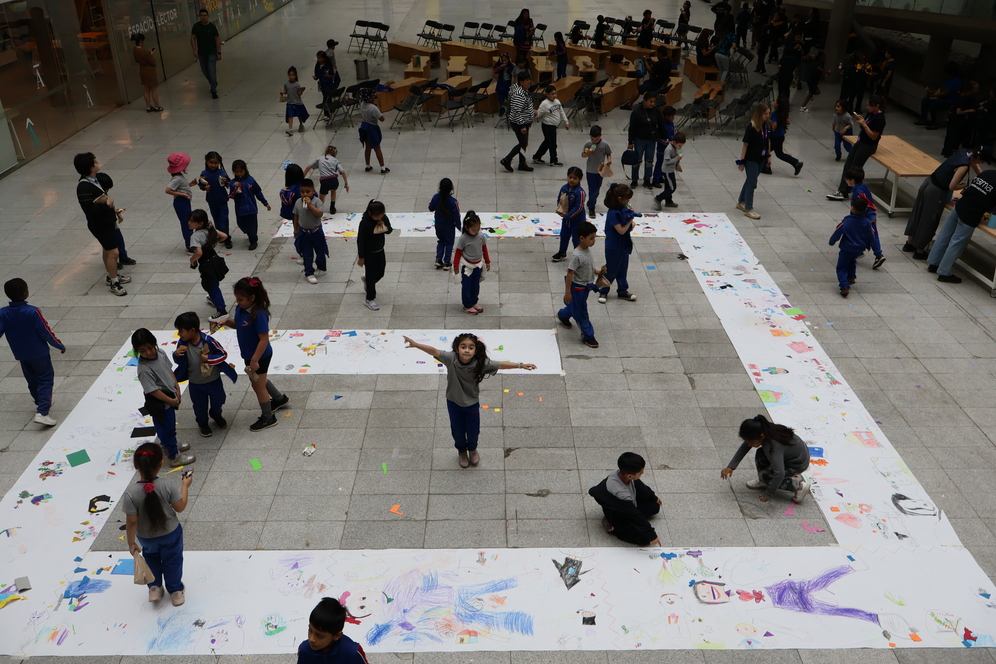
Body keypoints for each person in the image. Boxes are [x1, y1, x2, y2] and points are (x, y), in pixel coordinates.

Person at [404, 333, 536, 467]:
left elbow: (500, 365)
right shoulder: (451, 359)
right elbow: (435, 351)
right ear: (457, 348)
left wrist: (520, 365)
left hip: (472, 404)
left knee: (473, 431)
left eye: (471, 347)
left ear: (475, 350)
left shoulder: (480, 363)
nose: (467, 350)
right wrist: (416, 345)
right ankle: (462, 451)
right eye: (463, 347)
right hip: (453, 402)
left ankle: (472, 450)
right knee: (457, 430)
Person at [215, 277, 289, 430]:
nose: (237, 302)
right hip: (249, 355)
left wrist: (255, 360)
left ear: (252, 298)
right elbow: (240, 326)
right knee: (260, 380)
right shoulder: (241, 309)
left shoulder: (259, 315)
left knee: (257, 386)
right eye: (236, 299)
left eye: (240, 299)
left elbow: (263, 340)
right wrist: (227, 322)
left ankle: (268, 417)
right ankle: (279, 399)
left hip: (259, 356)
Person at [123, 442, 192, 607]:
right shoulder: (167, 485)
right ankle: (175, 592)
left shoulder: (131, 493)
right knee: (173, 560)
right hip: (171, 533)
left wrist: (131, 542)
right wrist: (185, 485)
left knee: (151, 558)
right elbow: (180, 507)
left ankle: (154, 588)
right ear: (161, 463)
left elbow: (132, 521)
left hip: (146, 537)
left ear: (135, 465)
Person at [0, 278, 65, 426]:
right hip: (39, 353)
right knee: (45, 378)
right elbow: (45, 331)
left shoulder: (2, 313)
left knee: (32, 379)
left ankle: (40, 401)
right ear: (25, 293)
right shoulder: (33, 312)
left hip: (21, 354)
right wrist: (59, 345)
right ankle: (43, 412)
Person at [904, 147, 988, 259]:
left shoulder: (965, 153)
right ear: (978, 157)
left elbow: (975, 166)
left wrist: (985, 179)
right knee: (930, 219)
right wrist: (966, 185)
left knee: (919, 213)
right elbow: (952, 186)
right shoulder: (963, 166)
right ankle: (919, 251)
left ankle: (910, 243)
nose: (981, 163)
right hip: (936, 191)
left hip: (928, 183)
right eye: (982, 161)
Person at [132, 328, 195, 466]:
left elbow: (169, 370)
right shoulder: (144, 369)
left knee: (169, 426)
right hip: (160, 403)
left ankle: (171, 444)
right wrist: (171, 400)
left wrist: (177, 387)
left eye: (150, 347)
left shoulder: (160, 352)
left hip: (170, 397)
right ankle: (174, 456)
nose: (148, 352)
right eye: (142, 350)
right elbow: (153, 391)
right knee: (165, 428)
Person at [173, 311, 237, 437]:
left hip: (213, 381)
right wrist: (176, 354)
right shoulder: (182, 343)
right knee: (199, 407)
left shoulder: (208, 341)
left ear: (192, 330)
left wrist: (208, 359)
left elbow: (223, 354)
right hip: (195, 383)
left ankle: (216, 414)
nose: (179, 334)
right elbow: (178, 361)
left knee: (219, 400)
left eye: (181, 331)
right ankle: (202, 423)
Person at [74, 152, 131, 296]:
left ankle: (112, 275)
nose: (98, 162)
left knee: (107, 250)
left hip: (107, 221)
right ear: (90, 167)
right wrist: (107, 205)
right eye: (95, 161)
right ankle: (114, 282)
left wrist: (114, 211)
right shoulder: (83, 187)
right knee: (114, 252)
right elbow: (89, 210)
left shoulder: (97, 179)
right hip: (99, 224)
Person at [927, 168, 996, 284]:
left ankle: (934, 263)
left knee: (945, 235)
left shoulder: (987, 172)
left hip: (959, 207)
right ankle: (944, 272)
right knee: (957, 243)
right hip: (971, 214)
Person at [721, 414, 811, 503]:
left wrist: (769, 493)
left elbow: (779, 473)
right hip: (793, 455)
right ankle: (764, 481)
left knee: (768, 476)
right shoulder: (764, 429)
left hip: (797, 464)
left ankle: (798, 486)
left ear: (761, 436)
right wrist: (731, 466)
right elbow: (745, 447)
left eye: (750, 442)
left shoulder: (773, 448)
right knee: (760, 454)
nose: (749, 444)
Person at [588, 452, 662, 546]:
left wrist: (653, 497)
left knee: (654, 507)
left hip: (628, 505)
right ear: (630, 476)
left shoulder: (621, 473)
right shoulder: (621, 493)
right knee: (644, 539)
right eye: (641, 472)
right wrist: (651, 535)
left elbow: (638, 484)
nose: (643, 473)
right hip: (620, 513)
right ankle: (613, 528)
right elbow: (634, 514)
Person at [827, 95, 885, 202]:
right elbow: (863, 128)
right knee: (848, 165)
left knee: (855, 167)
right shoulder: (870, 114)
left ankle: (845, 191)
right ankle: (842, 189)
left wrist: (865, 125)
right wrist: (861, 122)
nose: (867, 107)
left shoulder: (880, 118)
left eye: (870, 105)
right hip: (860, 142)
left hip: (868, 145)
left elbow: (873, 136)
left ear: (877, 106)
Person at [556, 221, 603, 348]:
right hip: (577, 288)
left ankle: (563, 315)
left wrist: (597, 272)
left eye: (595, 238)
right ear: (582, 238)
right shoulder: (576, 255)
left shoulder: (587, 250)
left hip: (586, 287)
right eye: (591, 238)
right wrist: (567, 292)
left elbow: (587, 266)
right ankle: (588, 335)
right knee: (582, 311)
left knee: (575, 306)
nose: (594, 241)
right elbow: (570, 273)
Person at [598, 183, 640, 304]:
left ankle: (622, 290)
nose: (629, 201)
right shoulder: (613, 213)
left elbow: (628, 227)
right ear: (620, 199)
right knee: (611, 268)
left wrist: (629, 218)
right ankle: (603, 289)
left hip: (623, 244)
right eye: (627, 199)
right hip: (613, 245)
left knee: (623, 268)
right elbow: (621, 230)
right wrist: (631, 219)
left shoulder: (623, 209)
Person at [298, 597, 370, 664]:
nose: (311, 639)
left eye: (319, 636)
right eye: (310, 630)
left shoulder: (353, 652)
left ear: (337, 636)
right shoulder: (304, 650)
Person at [187, 209, 229, 322]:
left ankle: (221, 311)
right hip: (215, 260)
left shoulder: (195, 236)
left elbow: (199, 253)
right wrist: (212, 244)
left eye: (192, 221)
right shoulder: (209, 229)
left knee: (211, 286)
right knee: (213, 283)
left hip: (207, 264)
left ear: (200, 223)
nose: (189, 223)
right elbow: (224, 236)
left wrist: (192, 259)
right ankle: (214, 299)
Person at [829, 197, 875, 297]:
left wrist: (832, 241)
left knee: (841, 267)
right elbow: (871, 235)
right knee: (852, 261)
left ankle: (844, 285)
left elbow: (837, 232)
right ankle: (851, 277)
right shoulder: (867, 222)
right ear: (865, 209)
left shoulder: (846, 222)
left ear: (852, 208)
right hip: (859, 249)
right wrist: (869, 244)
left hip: (846, 248)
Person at [844, 166, 885, 269]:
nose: (846, 181)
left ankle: (877, 254)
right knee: (872, 234)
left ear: (852, 180)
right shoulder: (863, 187)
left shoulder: (858, 193)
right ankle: (867, 253)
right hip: (869, 216)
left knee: (859, 234)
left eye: (846, 179)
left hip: (863, 217)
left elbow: (862, 205)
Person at [736, 103, 772, 220]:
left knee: (750, 180)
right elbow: (745, 145)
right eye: (765, 114)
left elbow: (768, 141)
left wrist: (769, 156)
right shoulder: (752, 126)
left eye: (768, 113)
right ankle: (749, 208)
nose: (767, 116)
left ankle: (741, 201)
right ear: (759, 113)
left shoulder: (766, 126)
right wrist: (742, 161)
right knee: (752, 183)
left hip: (761, 158)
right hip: (751, 158)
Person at [356, 200, 392, 311]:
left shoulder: (383, 218)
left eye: (381, 215)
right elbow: (360, 240)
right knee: (371, 277)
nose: (379, 217)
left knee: (380, 273)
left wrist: (383, 224)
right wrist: (361, 257)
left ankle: (367, 280)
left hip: (380, 250)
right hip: (369, 253)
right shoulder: (365, 223)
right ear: (370, 213)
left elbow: (389, 230)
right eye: (376, 216)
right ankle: (369, 298)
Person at [452, 212, 491, 314]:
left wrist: (487, 261)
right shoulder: (463, 238)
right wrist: (455, 266)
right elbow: (458, 253)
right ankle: (467, 305)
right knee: (467, 286)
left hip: (478, 265)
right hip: (467, 266)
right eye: (474, 230)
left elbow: (484, 249)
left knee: (475, 285)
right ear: (466, 227)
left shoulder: (481, 236)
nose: (476, 231)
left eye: (478, 229)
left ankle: (474, 301)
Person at [293, 179, 329, 285]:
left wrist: (310, 205)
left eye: (307, 191)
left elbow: (319, 214)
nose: (305, 194)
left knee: (320, 251)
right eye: (302, 192)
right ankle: (309, 272)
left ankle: (322, 268)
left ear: (313, 191)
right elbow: (296, 215)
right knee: (307, 253)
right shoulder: (298, 202)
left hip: (316, 231)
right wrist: (295, 228)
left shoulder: (317, 202)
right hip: (304, 232)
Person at [229, 159, 270, 251]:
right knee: (241, 224)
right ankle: (249, 232)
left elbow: (258, 192)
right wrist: (234, 187)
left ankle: (253, 240)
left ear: (245, 170)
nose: (239, 173)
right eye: (237, 172)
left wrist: (265, 203)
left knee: (252, 226)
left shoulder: (250, 180)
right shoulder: (232, 183)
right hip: (240, 209)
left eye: (241, 171)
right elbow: (231, 196)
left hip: (251, 209)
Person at [499, 72, 536, 173]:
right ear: (521, 82)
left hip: (524, 121)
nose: (530, 82)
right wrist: (522, 125)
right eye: (527, 80)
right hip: (519, 123)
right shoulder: (519, 94)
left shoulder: (523, 90)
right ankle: (507, 159)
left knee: (524, 143)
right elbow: (516, 110)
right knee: (523, 143)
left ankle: (522, 163)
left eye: (530, 79)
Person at [627, 92, 664, 189]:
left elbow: (661, 125)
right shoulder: (636, 112)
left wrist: (665, 137)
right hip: (639, 139)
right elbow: (632, 128)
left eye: (654, 102)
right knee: (637, 160)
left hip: (651, 140)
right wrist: (630, 142)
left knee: (649, 161)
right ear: (645, 101)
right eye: (650, 101)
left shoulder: (656, 111)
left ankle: (647, 180)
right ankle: (634, 180)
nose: (652, 104)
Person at [552, 166, 587, 261]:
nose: (571, 180)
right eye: (570, 177)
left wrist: (568, 215)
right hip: (566, 219)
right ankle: (562, 252)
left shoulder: (580, 192)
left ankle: (578, 256)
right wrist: (560, 210)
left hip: (577, 221)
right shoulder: (564, 188)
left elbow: (579, 207)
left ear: (579, 179)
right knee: (564, 235)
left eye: (575, 178)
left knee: (576, 239)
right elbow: (560, 200)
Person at [198, 151, 232, 248]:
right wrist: (205, 188)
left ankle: (227, 238)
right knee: (216, 218)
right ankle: (220, 234)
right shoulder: (204, 174)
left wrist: (226, 182)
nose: (213, 165)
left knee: (224, 219)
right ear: (206, 161)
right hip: (212, 200)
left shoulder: (222, 173)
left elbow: (229, 184)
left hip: (222, 199)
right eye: (211, 162)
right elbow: (200, 185)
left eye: (215, 163)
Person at [916, 62, 960, 130]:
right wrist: (933, 92)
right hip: (943, 98)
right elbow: (942, 90)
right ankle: (923, 119)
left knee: (933, 104)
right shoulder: (948, 80)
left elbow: (945, 93)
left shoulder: (955, 81)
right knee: (925, 100)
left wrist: (933, 95)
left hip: (949, 101)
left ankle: (934, 123)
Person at [303, 144, 349, 210]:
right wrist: (346, 183)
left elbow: (308, 167)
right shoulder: (335, 160)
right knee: (333, 191)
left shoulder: (319, 158)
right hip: (334, 180)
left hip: (325, 181)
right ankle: (332, 207)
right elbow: (343, 172)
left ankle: (319, 208)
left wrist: (302, 178)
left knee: (322, 195)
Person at [532, 86, 569, 166]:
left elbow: (561, 112)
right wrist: (535, 113)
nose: (554, 95)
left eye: (555, 93)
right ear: (547, 94)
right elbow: (539, 114)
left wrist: (566, 122)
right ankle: (553, 160)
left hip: (554, 126)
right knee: (552, 144)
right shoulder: (544, 104)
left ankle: (537, 157)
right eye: (552, 94)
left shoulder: (557, 101)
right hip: (547, 126)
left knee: (547, 142)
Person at [429, 178, 460, 269]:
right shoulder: (453, 202)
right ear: (451, 188)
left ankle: (438, 259)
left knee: (441, 241)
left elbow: (431, 208)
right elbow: (456, 216)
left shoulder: (435, 197)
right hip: (449, 226)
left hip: (438, 224)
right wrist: (459, 226)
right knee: (449, 243)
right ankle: (447, 262)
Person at [165, 153, 194, 251]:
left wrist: (189, 185)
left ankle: (191, 242)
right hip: (181, 202)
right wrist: (183, 195)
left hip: (184, 201)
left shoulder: (179, 177)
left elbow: (181, 188)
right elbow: (168, 190)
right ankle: (189, 245)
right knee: (187, 223)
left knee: (188, 221)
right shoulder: (177, 179)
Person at [190, 8, 221, 99]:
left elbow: (217, 40)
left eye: (205, 15)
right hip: (202, 53)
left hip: (211, 52)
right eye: (202, 16)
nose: (203, 17)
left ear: (208, 16)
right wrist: (194, 50)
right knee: (204, 70)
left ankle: (213, 90)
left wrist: (219, 52)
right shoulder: (196, 27)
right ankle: (213, 82)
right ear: (199, 16)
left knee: (211, 70)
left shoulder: (212, 27)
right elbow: (192, 38)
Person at [582, 125, 612, 218]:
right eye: (592, 139)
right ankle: (592, 208)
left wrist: (609, 160)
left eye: (596, 139)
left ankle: (591, 200)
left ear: (600, 136)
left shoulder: (604, 144)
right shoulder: (588, 144)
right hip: (590, 170)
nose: (594, 141)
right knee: (592, 190)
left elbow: (608, 153)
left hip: (600, 170)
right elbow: (583, 155)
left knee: (597, 189)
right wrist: (588, 154)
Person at [769, 96, 803, 176]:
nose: (774, 102)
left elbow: (774, 125)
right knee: (779, 153)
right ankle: (796, 163)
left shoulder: (775, 114)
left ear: (778, 105)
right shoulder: (784, 113)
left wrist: (769, 133)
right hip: (781, 136)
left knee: (765, 150)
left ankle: (765, 166)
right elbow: (788, 122)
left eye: (775, 101)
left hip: (775, 137)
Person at [357, 89, 389, 174]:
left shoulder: (362, 104)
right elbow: (382, 119)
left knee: (368, 147)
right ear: (371, 97)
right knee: (377, 148)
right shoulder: (373, 108)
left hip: (364, 127)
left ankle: (367, 165)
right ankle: (382, 168)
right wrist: (379, 109)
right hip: (372, 128)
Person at [942, 82, 978, 157]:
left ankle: (945, 150)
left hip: (952, 117)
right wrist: (969, 110)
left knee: (949, 135)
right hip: (956, 119)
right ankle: (948, 151)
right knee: (952, 135)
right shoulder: (962, 98)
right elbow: (959, 111)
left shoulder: (958, 96)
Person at [653, 131, 686, 209]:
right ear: (674, 142)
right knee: (672, 187)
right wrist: (676, 158)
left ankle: (668, 201)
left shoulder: (676, 147)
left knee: (668, 186)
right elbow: (667, 161)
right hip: (667, 170)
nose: (680, 147)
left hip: (671, 169)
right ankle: (658, 198)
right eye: (679, 145)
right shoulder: (669, 149)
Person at [131, 33, 161, 112]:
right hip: (150, 71)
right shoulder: (145, 52)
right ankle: (157, 106)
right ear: (141, 41)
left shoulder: (134, 50)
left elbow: (137, 60)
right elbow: (152, 61)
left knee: (146, 89)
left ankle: (148, 106)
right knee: (153, 89)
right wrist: (151, 54)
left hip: (142, 70)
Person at [652, 104, 676, 188]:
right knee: (659, 162)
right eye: (671, 116)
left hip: (670, 147)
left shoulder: (671, 123)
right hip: (662, 147)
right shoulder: (662, 125)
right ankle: (656, 179)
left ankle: (661, 176)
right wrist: (666, 141)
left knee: (666, 162)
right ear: (666, 116)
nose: (673, 117)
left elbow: (673, 133)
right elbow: (659, 137)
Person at [282, 66, 309, 136]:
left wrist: (301, 91)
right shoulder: (286, 84)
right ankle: (290, 129)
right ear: (288, 75)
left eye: (293, 75)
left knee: (299, 115)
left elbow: (299, 94)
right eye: (290, 75)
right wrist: (282, 93)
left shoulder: (297, 84)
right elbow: (285, 92)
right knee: (290, 116)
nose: (291, 77)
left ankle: (301, 124)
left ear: (295, 76)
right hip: (290, 103)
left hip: (297, 102)